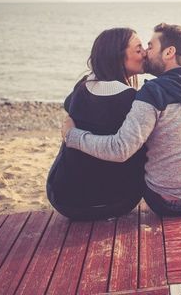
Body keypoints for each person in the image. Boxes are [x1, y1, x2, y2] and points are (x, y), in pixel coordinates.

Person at [62, 23, 181, 217]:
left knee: (142, 143)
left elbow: (121, 149)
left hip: (165, 202)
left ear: (169, 52)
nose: (146, 53)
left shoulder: (152, 92)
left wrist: (72, 136)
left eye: (150, 47)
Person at [47, 28, 147, 220]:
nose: (144, 53)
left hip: (64, 199)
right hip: (118, 201)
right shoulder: (133, 99)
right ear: (118, 57)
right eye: (138, 49)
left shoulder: (82, 87)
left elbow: (69, 105)